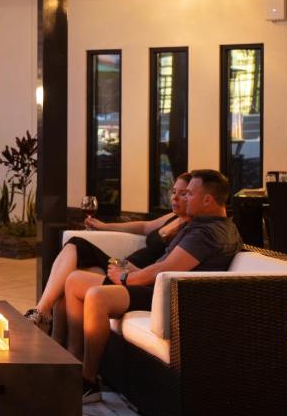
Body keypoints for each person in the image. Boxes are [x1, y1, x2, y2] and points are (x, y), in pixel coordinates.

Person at [64, 169, 243, 403]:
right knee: (74, 280)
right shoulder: (205, 224)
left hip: (171, 297)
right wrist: (132, 271)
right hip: (160, 287)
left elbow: (165, 269)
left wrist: (126, 278)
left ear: (208, 200)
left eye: (189, 194)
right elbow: (162, 261)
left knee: (98, 296)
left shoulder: (208, 233)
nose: (184, 198)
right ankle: (73, 363)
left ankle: (88, 382)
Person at [24, 173, 193, 334]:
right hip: (120, 264)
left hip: (132, 273)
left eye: (183, 193)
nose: (175, 198)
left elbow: (165, 266)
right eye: (173, 192)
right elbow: (143, 227)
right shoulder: (173, 217)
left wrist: (131, 272)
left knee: (76, 250)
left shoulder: (191, 231)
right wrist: (104, 226)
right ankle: (46, 320)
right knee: (73, 251)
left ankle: (42, 314)